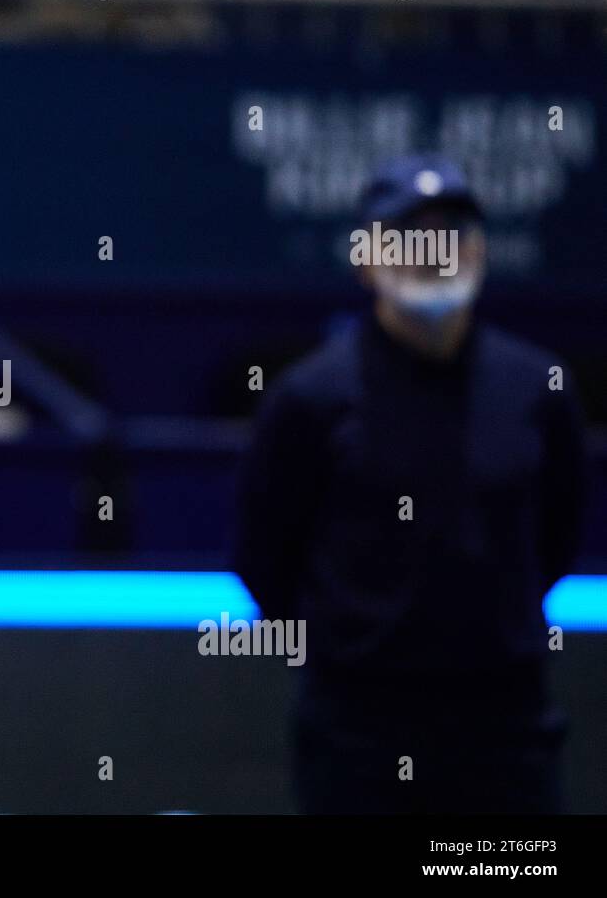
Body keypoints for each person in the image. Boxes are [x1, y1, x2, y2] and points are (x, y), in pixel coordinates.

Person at [231, 155, 586, 813]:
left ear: (479, 251)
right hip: (358, 731)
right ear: (366, 258)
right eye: (408, 234)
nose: (433, 252)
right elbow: (264, 557)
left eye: (451, 233)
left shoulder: (541, 388)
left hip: (506, 727)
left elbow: (560, 534)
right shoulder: (308, 398)